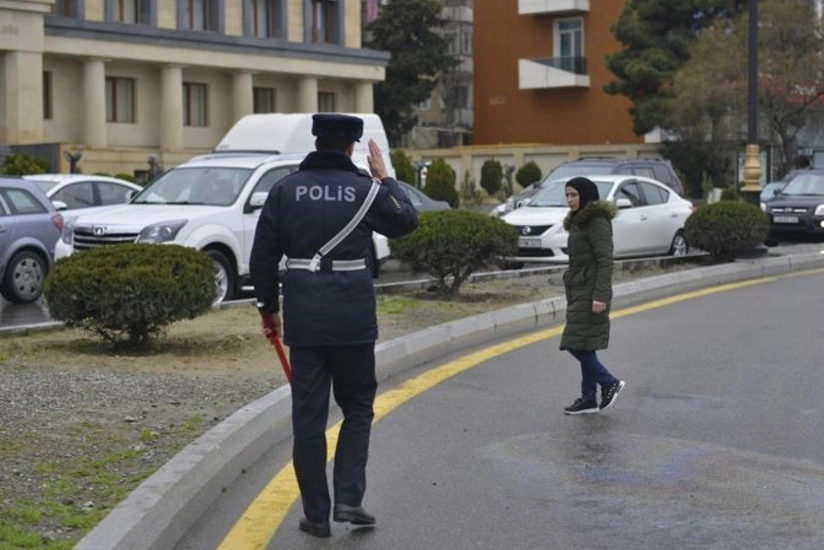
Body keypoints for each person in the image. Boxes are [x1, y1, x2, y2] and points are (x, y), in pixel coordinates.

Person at [249, 113, 418, 538]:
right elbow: (406, 221)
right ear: (351, 147)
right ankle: (348, 497)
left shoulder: (285, 190)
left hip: (304, 320)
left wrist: (268, 306)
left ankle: (317, 514)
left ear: (317, 142)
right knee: (357, 407)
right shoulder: (365, 190)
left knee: (308, 418)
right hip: (353, 320)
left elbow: (263, 255)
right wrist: (386, 178)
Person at [559, 176, 625, 415]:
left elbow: (605, 260)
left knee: (573, 343)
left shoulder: (596, 221)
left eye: (574, 195)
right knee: (585, 345)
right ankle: (588, 399)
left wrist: (600, 296)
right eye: (567, 195)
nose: (569, 200)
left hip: (591, 292)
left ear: (585, 195)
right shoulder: (579, 221)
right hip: (579, 289)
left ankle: (609, 382)